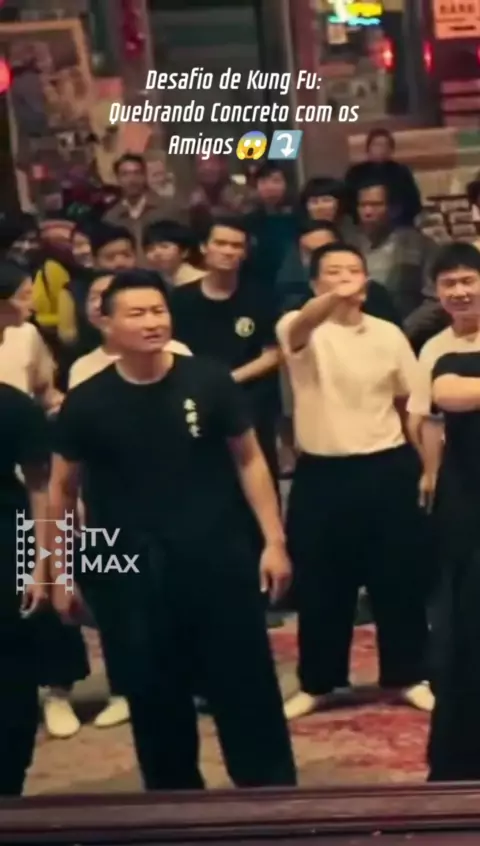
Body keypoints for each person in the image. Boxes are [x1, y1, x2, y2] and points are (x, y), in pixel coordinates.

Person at [48, 269, 296, 791]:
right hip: (126, 563)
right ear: (106, 324)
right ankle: (173, 803)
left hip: (217, 554)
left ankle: (270, 798)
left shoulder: (208, 380)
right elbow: (61, 492)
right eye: (136, 313)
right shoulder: (86, 400)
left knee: (246, 686)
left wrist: (273, 541)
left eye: (158, 310)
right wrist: (61, 571)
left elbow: (250, 461)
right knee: (152, 695)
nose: (152, 322)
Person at [277, 242, 433, 720]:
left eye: (354, 271)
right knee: (322, 584)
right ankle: (319, 681)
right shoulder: (300, 327)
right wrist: (332, 299)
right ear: (314, 283)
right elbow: (301, 327)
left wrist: (426, 466)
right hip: (323, 474)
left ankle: (408, 674)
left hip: (388, 467)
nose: (346, 278)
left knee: (399, 579)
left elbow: (410, 404)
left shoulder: (388, 333)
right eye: (334, 271)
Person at [171, 217, 281, 483]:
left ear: (245, 253)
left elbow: (274, 354)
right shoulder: (180, 299)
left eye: (236, 246)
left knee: (259, 475)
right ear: (204, 247)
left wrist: (226, 380)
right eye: (220, 243)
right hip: (195, 397)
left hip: (250, 399)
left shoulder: (263, 296)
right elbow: (172, 348)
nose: (228, 251)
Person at [0, 272, 50, 795]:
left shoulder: (14, 406)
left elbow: (42, 488)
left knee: (11, 673)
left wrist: (40, 563)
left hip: (5, 540)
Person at [408, 242, 480, 515]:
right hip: (462, 472)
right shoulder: (434, 347)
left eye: (467, 281)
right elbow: (425, 418)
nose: (459, 292)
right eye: (448, 284)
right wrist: (431, 472)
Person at [349, 177, 444, 350]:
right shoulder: (350, 245)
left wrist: (403, 330)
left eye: (376, 205)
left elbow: (435, 298)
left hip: (410, 337)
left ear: (394, 209)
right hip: (357, 337)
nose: (368, 212)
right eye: (363, 205)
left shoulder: (420, 245)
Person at [276, 219, 402, 323]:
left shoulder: (374, 294)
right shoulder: (294, 305)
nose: (320, 257)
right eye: (310, 253)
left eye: (327, 249)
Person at [57, 223, 136, 349]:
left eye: (126, 255)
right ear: (95, 260)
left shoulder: (149, 285)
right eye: (110, 257)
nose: (120, 263)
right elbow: (67, 337)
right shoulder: (73, 291)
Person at [103, 153, 182, 254]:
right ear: (117, 179)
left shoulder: (167, 209)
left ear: (145, 176)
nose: (132, 180)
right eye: (125, 174)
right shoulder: (111, 218)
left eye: (137, 173)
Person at [344, 128, 422, 227]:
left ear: (391, 150)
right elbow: (347, 203)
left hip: (397, 223)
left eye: (385, 145)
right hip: (362, 223)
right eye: (376, 145)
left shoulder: (401, 172)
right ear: (368, 149)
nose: (380, 149)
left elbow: (413, 203)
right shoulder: (355, 172)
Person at [142, 219, 205, 288]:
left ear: (185, 252)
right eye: (150, 249)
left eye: (164, 246)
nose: (157, 253)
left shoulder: (198, 280)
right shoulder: (154, 281)